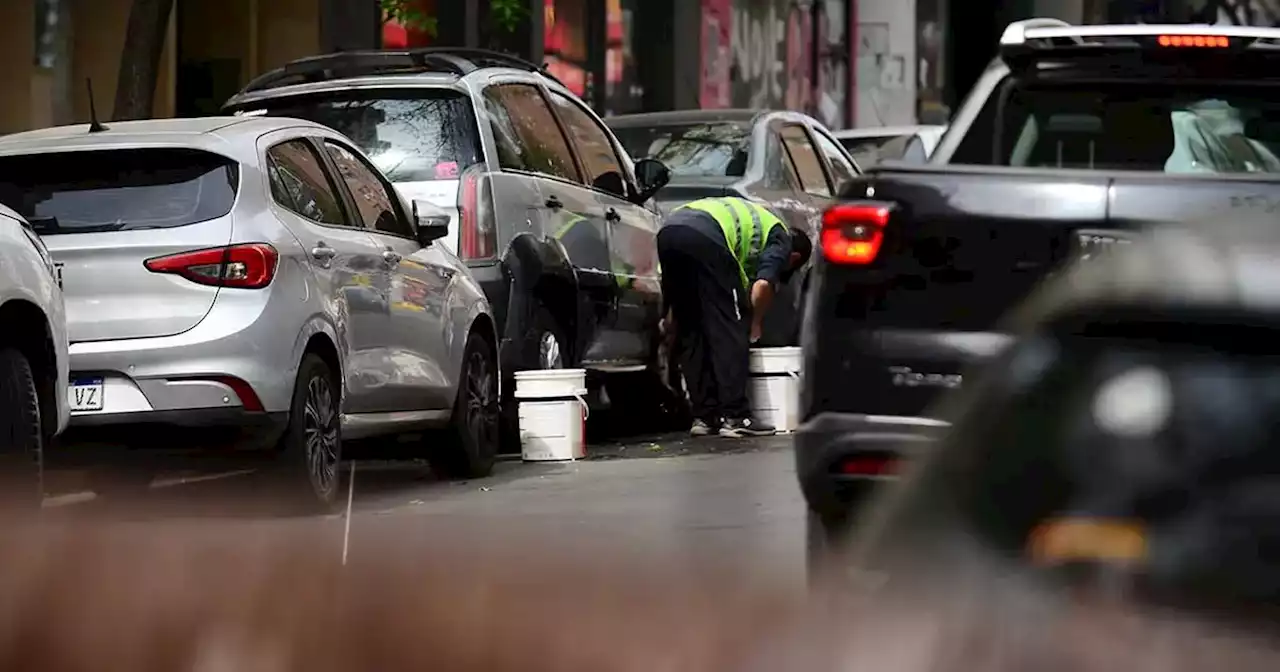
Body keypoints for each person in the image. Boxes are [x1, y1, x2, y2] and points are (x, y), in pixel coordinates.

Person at [657, 197, 811, 438]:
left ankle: (705, 416)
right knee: (729, 331)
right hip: (706, 236)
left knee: (692, 329)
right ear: (794, 259)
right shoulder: (780, 238)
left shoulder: (753, 226)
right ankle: (736, 416)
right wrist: (755, 323)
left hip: (669, 231)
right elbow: (762, 285)